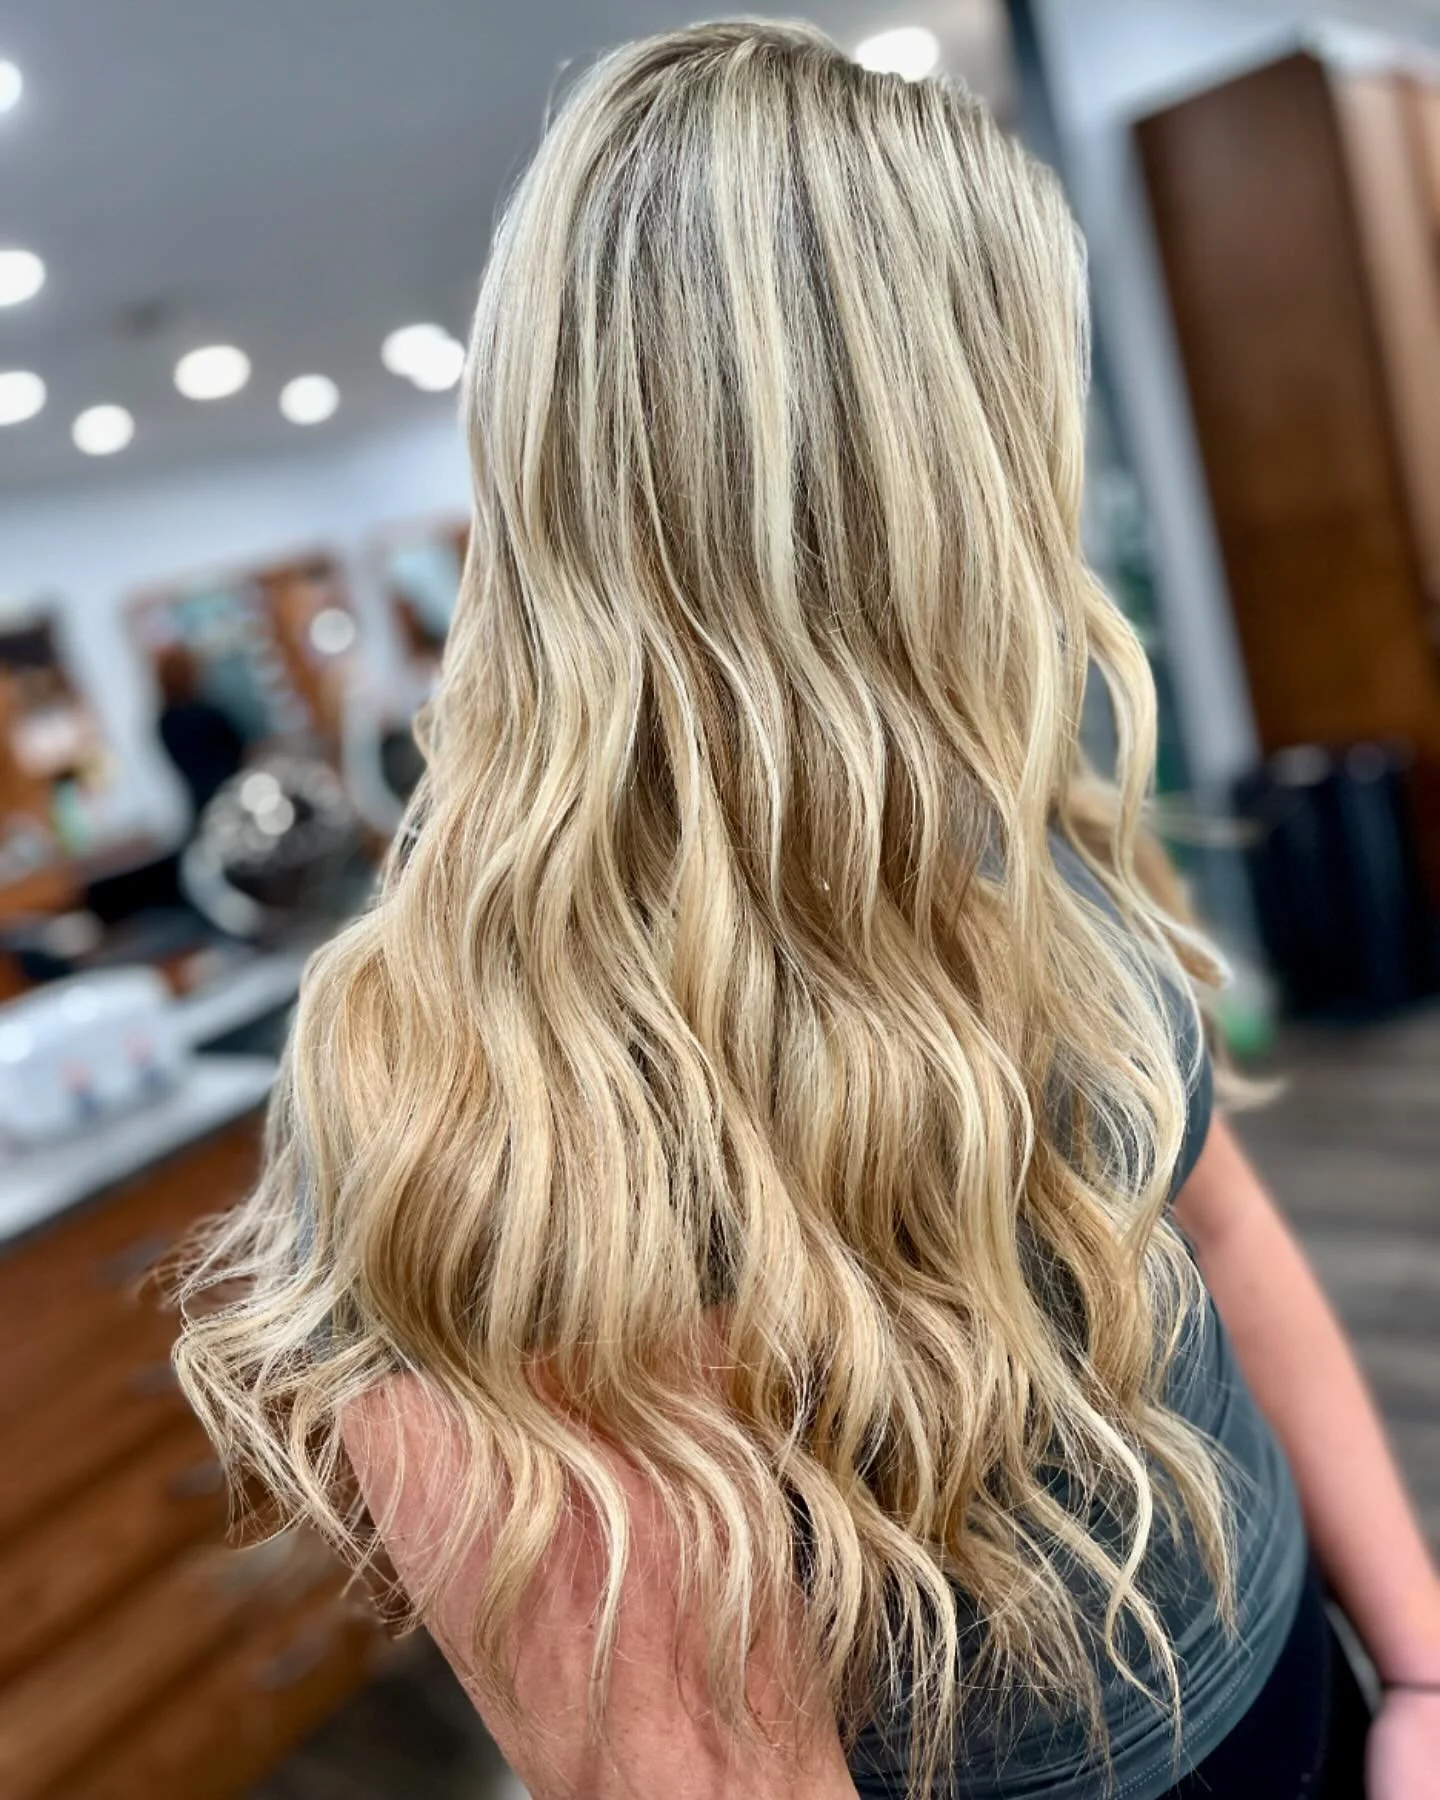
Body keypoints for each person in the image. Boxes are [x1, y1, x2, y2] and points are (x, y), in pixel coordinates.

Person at [176, 23, 1440, 1798]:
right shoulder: (499, 1115)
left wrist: (1421, 1672)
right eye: (1016, 417)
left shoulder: (983, 829)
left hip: (1303, 1674)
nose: (1044, 497)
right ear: (899, 474)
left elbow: (1211, 1235)